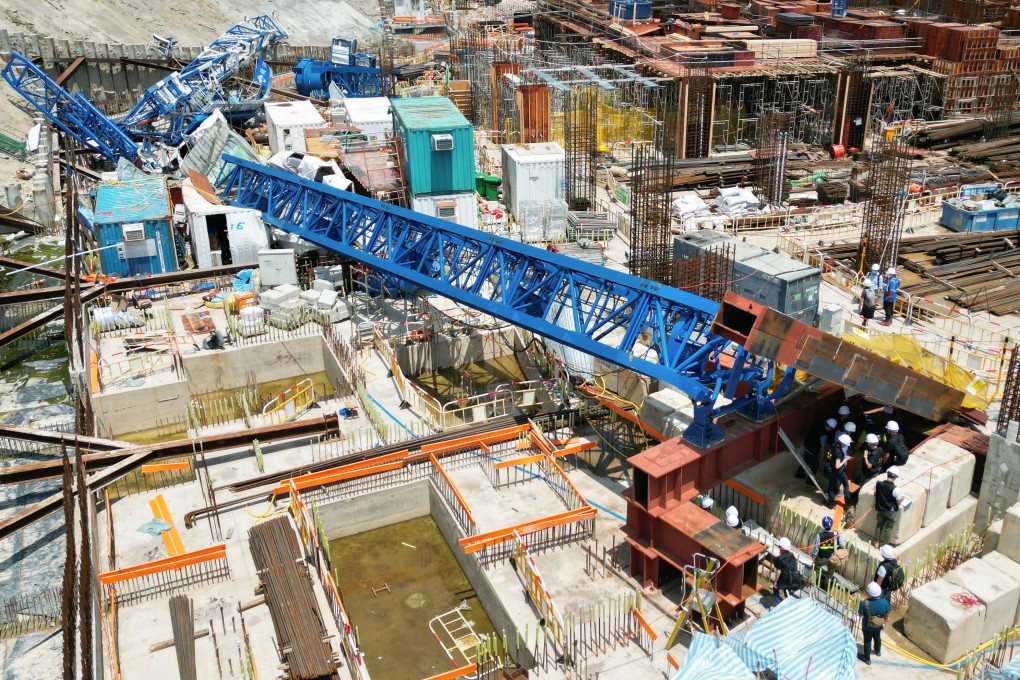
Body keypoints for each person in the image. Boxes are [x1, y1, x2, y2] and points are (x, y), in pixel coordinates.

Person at [858, 581, 891, 665]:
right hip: (879, 625)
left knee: (867, 641)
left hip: (867, 626)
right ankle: (877, 651)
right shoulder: (885, 602)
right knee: (877, 637)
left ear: (869, 593)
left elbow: (860, 614)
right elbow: (887, 614)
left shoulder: (864, 603)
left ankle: (867, 658)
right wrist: (885, 621)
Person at [798, 417, 837, 482]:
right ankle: (810, 481)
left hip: (807, 446)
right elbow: (822, 446)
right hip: (813, 450)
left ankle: (798, 474)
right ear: (830, 428)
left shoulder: (818, 425)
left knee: (805, 462)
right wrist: (822, 454)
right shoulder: (823, 435)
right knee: (814, 466)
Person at [812, 516, 846, 589]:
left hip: (821, 558)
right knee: (830, 574)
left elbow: (816, 549)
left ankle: (810, 583)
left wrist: (814, 558)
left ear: (823, 525)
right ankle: (826, 587)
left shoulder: (819, 536)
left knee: (815, 570)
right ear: (832, 524)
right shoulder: (836, 534)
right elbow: (843, 545)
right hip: (832, 558)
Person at [875, 467, 904, 545]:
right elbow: (898, 503)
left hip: (881, 508)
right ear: (895, 477)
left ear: (887, 474)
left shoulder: (878, 484)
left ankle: (876, 542)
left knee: (879, 525)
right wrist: (902, 499)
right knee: (888, 528)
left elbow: (875, 494)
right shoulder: (897, 490)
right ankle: (885, 545)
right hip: (891, 512)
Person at [825, 433, 853, 507]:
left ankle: (831, 502)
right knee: (845, 484)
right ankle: (847, 502)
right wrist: (845, 460)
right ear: (843, 443)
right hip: (837, 471)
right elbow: (837, 466)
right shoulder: (839, 452)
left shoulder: (833, 446)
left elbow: (832, 457)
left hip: (829, 468)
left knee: (831, 484)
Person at [772, 537, 804, 601]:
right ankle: (789, 603)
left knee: (775, 588)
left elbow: (778, 572)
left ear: (781, 548)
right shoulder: (792, 556)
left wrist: (775, 582)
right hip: (793, 579)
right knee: (787, 593)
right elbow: (794, 568)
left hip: (785, 579)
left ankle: (778, 604)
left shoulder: (779, 558)